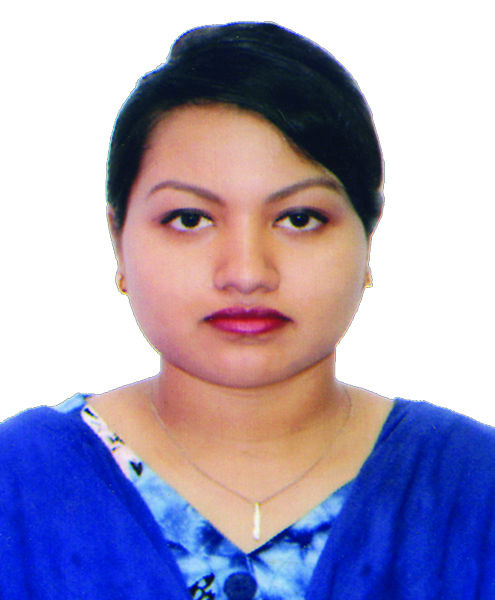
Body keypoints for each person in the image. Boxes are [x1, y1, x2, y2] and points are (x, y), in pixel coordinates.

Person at [0, 22, 494, 600]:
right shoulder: (18, 482)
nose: (247, 272)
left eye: (299, 219)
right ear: (118, 239)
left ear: (368, 237)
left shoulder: (472, 485)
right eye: (190, 219)